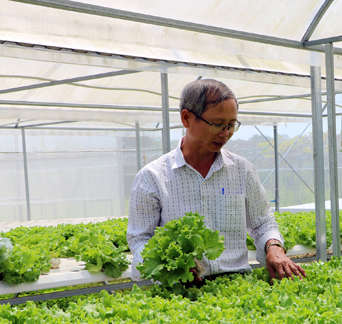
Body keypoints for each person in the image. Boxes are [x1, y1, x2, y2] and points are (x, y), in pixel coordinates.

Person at [127, 78, 305, 284]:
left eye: (231, 125)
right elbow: (140, 238)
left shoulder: (242, 170)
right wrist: (172, 265)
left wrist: (273, 246)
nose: (225, 133)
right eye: (217, 124)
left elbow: (263, 223)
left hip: (236, 283)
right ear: (186, 118)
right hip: (177, 289)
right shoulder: (152, 177)